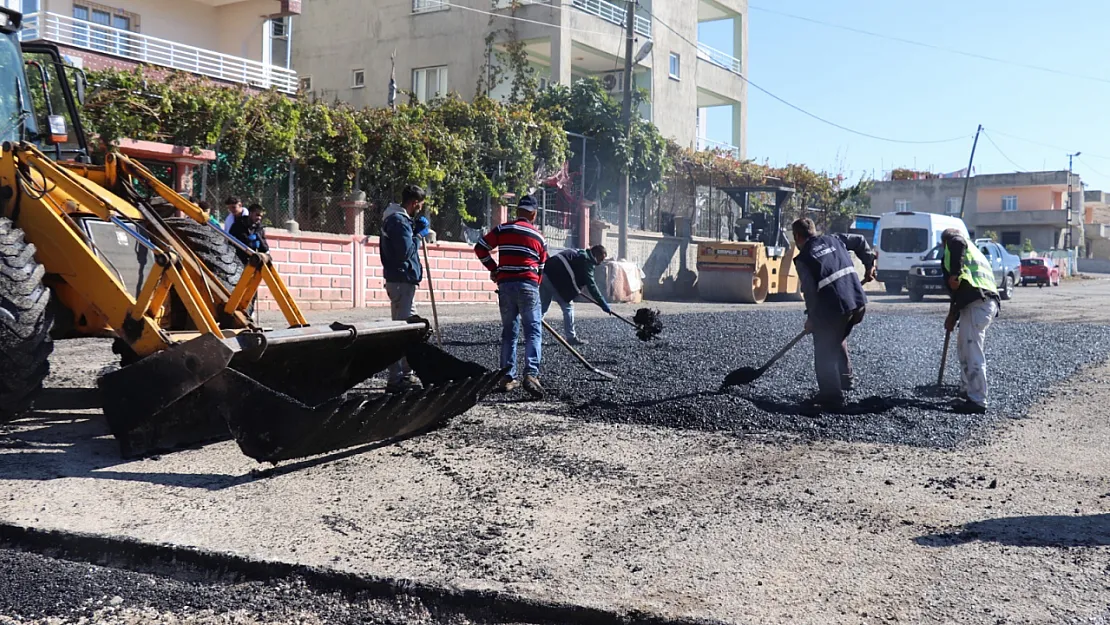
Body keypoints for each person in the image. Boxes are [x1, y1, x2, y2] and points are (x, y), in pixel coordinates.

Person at [791, 218, 876, 407]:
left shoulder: (803, 258)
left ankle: (831, 396)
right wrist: (869, 264)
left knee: (823, 348)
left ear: (797, 236)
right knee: (836, 335)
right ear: (814, 231)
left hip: (838, 307)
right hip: (858, 303)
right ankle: (846, 379)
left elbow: (810, 291)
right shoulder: (835, 239)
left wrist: (812, 318)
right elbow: (861, 241)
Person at [475, 195, 548, 399]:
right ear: (533, 214)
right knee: (533, 331)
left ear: (517, 212)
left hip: (506, 285)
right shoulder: (540, 238)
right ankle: (531, 374)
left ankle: (507, 377)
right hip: (528, 286)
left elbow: (480, 248)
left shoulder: (502, 229)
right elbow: (541, 271)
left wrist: (495, 269)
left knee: (509, 332)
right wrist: (532, 287)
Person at [940, 228, 1000, 415]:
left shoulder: (955, 242)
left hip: (978, 304)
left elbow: (957, 242)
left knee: (972, 350)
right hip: (977, 303)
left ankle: (978, 400)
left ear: (943, 242)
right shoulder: (973, 252)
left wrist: (954, 275)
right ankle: (966, 391)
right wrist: (952, 316)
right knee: (964, 348)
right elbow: (961, 293)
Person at [380, 185, 428, 393]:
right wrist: (418, 235)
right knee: (400, 331)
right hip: (401, 281)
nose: (421, 209)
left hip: (403, 281)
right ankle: (396, 378)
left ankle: (407, 374)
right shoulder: (398, 221)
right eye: (421, 205)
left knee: (411, 329)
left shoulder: (400, 220)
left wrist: (414, 231)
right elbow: (404, 252)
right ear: (415, 203)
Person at [541, 245, 610, 345]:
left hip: (545, 273)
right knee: (568, 306)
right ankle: (571, 337)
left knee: (543, 306)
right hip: (554, 277)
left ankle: (531, 335)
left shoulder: (579, 252)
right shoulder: (586, 261)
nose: (600, 263)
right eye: (600, 259)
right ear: (595, 255)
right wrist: (603, 303)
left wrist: (575, 290)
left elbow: (571, 274)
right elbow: (592, 286)